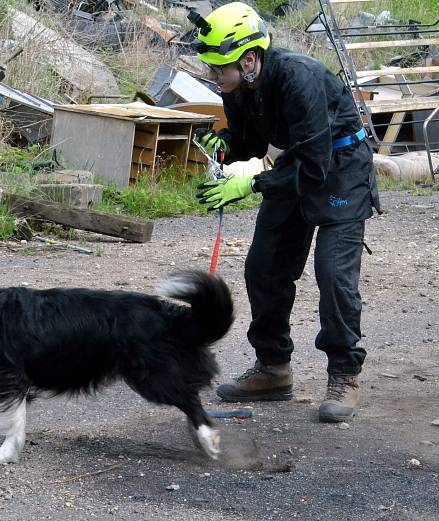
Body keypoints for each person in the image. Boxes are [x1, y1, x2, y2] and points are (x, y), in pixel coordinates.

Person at [188, 2, 381, 422]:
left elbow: (315, 169)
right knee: (264, 266)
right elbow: (251, 139)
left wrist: (252, 183)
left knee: (333, 275)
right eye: (211, 68)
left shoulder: (300, 79)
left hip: (340, 170)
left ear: (250, 60)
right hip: (300, 164)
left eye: (218, 69)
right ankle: (273, 369)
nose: (213, 77)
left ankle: (344, 374)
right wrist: (226, 144)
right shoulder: (238, 88)